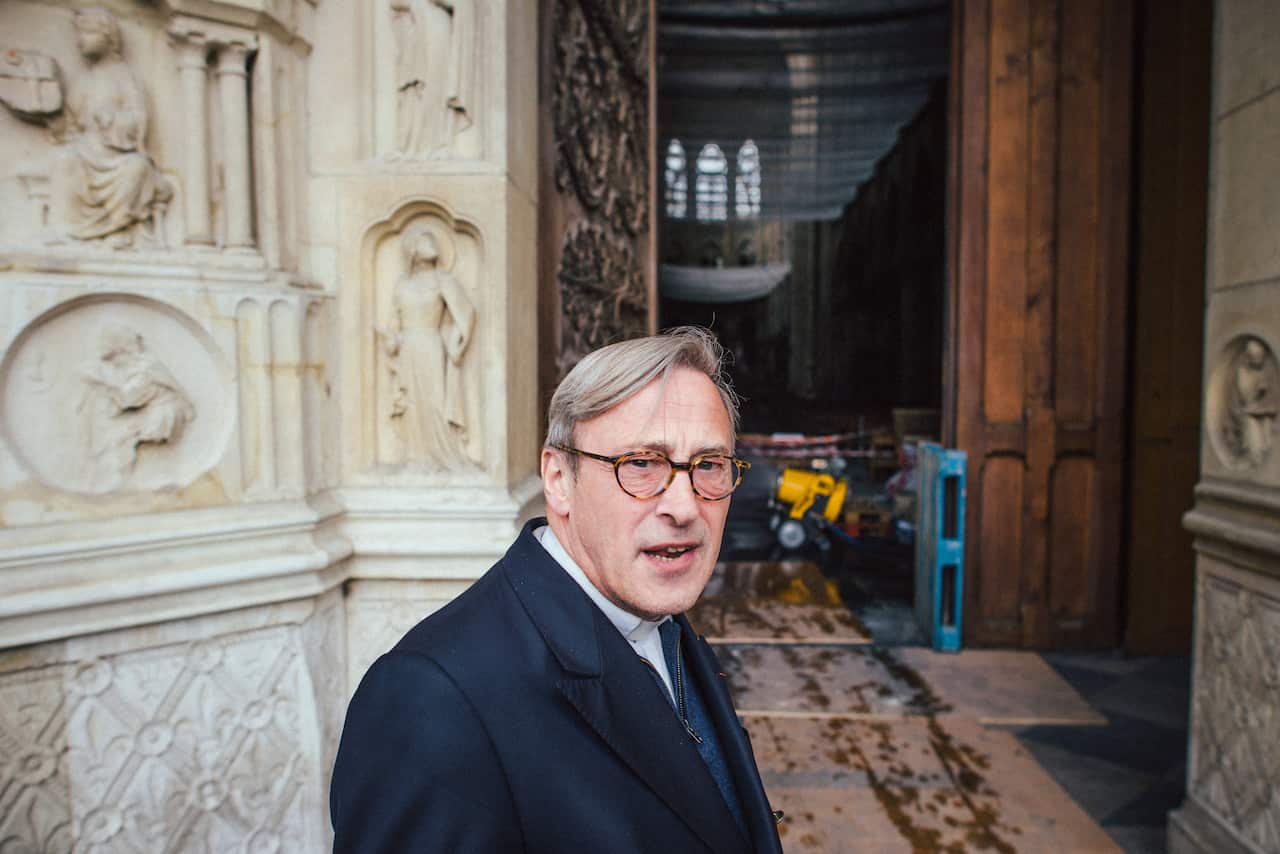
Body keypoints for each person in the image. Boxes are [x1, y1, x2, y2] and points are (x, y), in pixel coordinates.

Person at [331, 327, 784, 853]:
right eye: (640, 464)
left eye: (709, 465)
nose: (684, 507)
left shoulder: (657, 621)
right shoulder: (430, 700)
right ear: (558, 479)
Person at [53, 7, 171, 246]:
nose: (80, 41)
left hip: (118, 156)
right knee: (65, 159)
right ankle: (67, 230)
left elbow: (139, 118)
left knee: (136, 168)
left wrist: (113, 120)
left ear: (108, 37)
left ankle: (119, 228)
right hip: (87, 150)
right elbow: (70, 126)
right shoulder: (83, 81)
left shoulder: (124, 76)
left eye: (87, 33)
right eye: (79, 34)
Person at [378, 222, 477, 467]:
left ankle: (443, 454)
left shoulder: (443, 280)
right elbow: (393, 324)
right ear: (412, 250)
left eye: (433, 240)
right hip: (408, 349)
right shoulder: (402, 284)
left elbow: (466, 314)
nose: (431, 244)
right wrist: (391, 339)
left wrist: (457, 345)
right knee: (412, 403)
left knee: (435, 402)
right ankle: (416, 456)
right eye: (424, 240)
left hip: (432, 346)